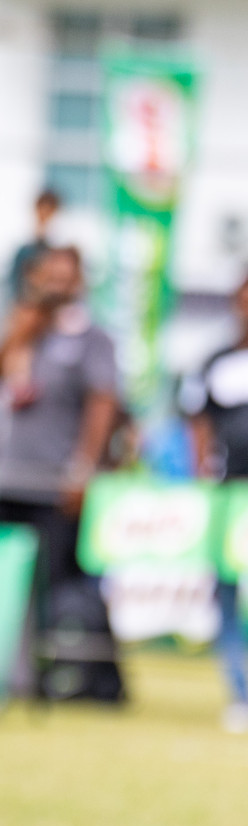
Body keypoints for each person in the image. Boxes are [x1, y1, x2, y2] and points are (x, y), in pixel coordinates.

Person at [0, 245, 124, 702]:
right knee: (5, 586)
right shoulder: (23, 328)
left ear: (80, 281)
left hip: (54, 485)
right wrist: (16, 335)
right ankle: (6, 672)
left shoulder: (90, 338)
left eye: (66, 275)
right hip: (9, 478)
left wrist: (82, 471)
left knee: (53, 588)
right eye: (49, 275)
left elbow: (103, 404)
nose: (57, 284)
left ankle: (55, 681)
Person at [181, 274, 248, 731]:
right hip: (228, 494)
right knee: (224, 592)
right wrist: (201, 472)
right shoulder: (216, 362)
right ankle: (241, 692)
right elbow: (198, 423)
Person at [10, 187, 62, 297]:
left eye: (49, 212)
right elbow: (13, 284)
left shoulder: (58, 249)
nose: (44, 217)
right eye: (42, 211)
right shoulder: (24, 250)